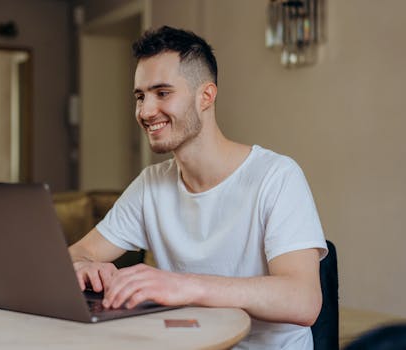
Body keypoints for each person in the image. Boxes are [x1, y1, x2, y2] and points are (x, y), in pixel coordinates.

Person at [69, 25, 328, 349]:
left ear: (205, 96)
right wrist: (84, 266)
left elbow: (303, 301)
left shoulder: (276, 177)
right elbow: (78, 252)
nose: (146, 111)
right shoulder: (152, 184)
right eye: (140, 96)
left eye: (162, 93)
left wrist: (184, 286)